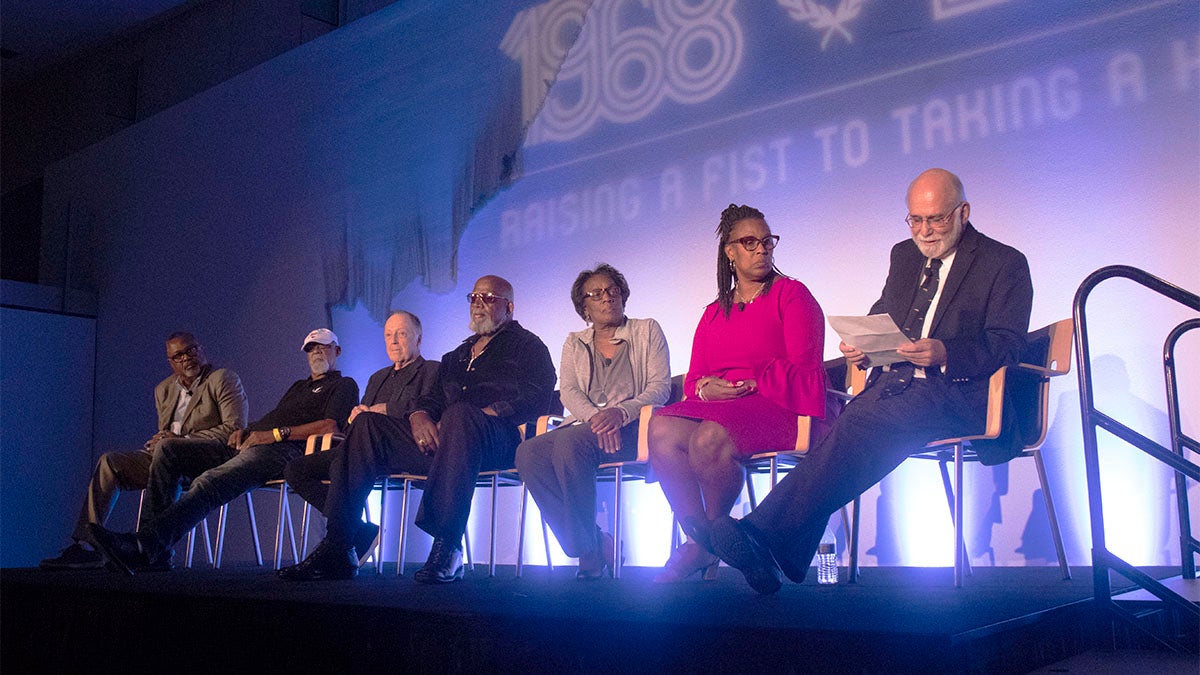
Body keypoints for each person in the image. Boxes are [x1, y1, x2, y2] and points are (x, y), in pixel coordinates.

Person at [704, 168, 1034, 594]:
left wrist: (946, 352)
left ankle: (764, 534)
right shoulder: (904, 255)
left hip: (962, 393)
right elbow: (885, 313)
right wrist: (863, 346)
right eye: (916, 220)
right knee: (853, 421)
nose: (925, 230)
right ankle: (774, 548)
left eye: (936, 219)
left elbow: (1008, 345)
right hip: (896, 389)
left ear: (963, 213)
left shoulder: (1004, 263)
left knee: (862, 422)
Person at [278, 276, 555, 583]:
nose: (478, 304)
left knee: (460, 415)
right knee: (367, 424)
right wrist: (419, 416)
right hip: (445, 442)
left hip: (496, 441)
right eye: (474, 298)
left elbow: (538, 395)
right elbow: (430, 399)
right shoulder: (456, 356)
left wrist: (484, 413)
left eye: (488, 298)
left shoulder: (528, 346)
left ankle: (447, 545)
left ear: (509, 307)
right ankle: (339, 546)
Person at [647, 204, 833, 582]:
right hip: (726, 409)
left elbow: (806, 370)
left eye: (767, 241)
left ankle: (707, 547)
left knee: (708, 438)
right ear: (730, 252)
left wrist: (755, 382)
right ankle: (704, 537)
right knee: (661, 429)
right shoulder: (715, 312)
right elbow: (694, 378)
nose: (762, 249)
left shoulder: (791, 295)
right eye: (750, 242)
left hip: (781, 404)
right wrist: (705, 388)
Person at [89, 328, 359, 574]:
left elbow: (329, 425)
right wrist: (248, 430)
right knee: (170, 450)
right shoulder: (298, 387)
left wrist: (274, 434)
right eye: (311, 348)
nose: (317, 353)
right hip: (253, 441)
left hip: (282, 451)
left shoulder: (344, 385)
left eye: (323, 347)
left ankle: (144, 546)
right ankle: (150, 550)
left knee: (209, 481)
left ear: (337, 350)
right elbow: (275, 418)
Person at [515, 264, 672, 580]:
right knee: (527, 453)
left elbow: (660, 387)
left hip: (632, 429)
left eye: (612, 290)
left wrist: (620, 414)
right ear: (584, 306)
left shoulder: (646, 330)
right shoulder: (574, 342)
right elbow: (569, 391)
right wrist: (597, 419)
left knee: (569, 443)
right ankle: (595, 540)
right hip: (590, 426)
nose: (607, 298)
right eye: (596, 294)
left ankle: (588, 553)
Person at [40, 332, 247, 570]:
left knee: (168, 449)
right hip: (168, 457)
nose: (187, 358)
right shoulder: (164, 389)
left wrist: (180, 439)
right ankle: (87, 547)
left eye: (191, 350)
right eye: (178, 355)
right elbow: (166, 436)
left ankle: (149, 547)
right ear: (170, 362)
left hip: (208, 455)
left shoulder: (222, 378)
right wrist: (160, 441)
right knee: (110, 462)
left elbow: (233, 430)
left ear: (201, 350)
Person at [279, 310, 439, 576]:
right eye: (388, 335)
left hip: (402, 447)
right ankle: (356, 528)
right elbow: (360, 423)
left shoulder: (434, 370)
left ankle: (337, 544)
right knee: (296, 469)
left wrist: (382, 411)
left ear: (418, 339)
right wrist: (355, 417)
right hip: (362, 449)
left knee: (360, 434)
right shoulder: (378, 377)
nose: (394, 341)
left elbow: (430, 409)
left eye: (401, 334)